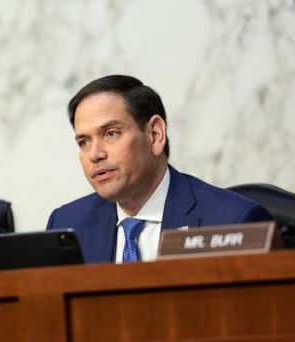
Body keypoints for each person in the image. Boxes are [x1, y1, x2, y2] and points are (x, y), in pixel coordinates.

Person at [46, 75, 273, 264]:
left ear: (155, 135)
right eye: (84, 142)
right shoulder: (67, 225)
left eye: (111, 133)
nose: (95, 154)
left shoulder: (234, 223)